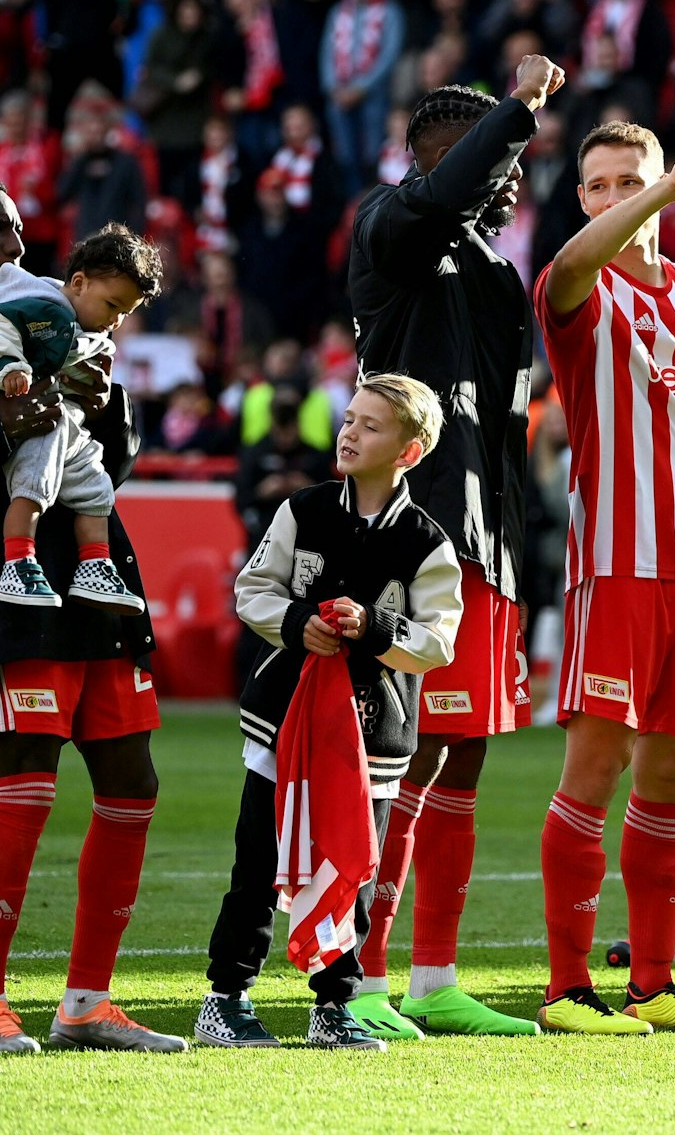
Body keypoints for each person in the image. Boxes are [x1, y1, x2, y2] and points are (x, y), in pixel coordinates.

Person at [346, 55, 565, 1039]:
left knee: (461, 757)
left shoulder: (493, 271)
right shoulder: (391, 231)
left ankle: (433, 977)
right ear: (439, 157)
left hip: (485, 542)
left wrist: (510, 544)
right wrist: (515, 110)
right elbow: (440, 199)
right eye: (496, 159)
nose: (514, 179)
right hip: (412, 543)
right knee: (403, 757)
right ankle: (357, 979)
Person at [528, 124, 675, 1034]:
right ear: (582, 200)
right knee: (594, 769)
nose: (615, 195)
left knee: (671, 778)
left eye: (631, 179)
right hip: (615, 565)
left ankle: (655, 984)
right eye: (599, 185)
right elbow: (570, 262)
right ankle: (566, 988)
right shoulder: (579, 286)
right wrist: (662, 193)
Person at [196, 374, 463, 1050]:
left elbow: (439, 641)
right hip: (282, 721)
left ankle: (335, 1005)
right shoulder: (302, 510)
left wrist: (374, 627)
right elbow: (253, 589)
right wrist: (296, 623)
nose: (349, 433)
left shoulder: (427, 542)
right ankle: (225, 997)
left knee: (352, 869)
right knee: (258, 862)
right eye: (349, 419)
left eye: (371, 426)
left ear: (409, 451)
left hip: (373, 735)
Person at [0, 207, 180, 1055]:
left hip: (98, 587)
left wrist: (100, 408)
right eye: (0, 229)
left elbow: (117, 460)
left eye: (14, 227)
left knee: (132, 780)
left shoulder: (71, 332)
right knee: (25, 781)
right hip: (21, 586)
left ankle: (86, 1002)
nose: (13, 240)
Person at [0, 227, 157, 613]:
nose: (115, 320)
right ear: (80, 283)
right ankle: (18, 561)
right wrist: (11, 370)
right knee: (36, 480)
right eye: (112, 305)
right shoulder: (42, 308)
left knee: (96, 487)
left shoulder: (85, 329)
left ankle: (95, 564)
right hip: (45, 425)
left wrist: (106, 407)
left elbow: (118, 464)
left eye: (124, 313)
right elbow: (5, 327)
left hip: (61, 599)